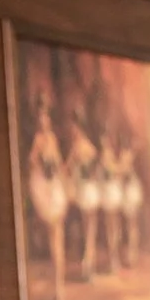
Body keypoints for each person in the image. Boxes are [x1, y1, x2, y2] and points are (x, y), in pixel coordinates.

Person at [27, 95, 69, 300]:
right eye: (40, 119)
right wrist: (43, 166)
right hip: (48, 190)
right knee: (54, 244)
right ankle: (57, 295)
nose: (44, 122)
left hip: (55, 192)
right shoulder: (39, 140)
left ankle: (59, 296)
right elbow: (33, 163)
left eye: (46, 118)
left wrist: (62, 182)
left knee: (57, 244)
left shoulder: (51, 138)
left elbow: (59, 165)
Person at [66, 110, 100, 281]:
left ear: (79, 128)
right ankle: (88, 266)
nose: (72, 130)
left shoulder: (81, 147)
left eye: (74, 127)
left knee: (90, 230)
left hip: (87, 191)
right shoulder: (85, 147)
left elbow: (73, 169)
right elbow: (71, 169)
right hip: (86, 191)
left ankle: (88, 266)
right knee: (89, 231)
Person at [98, 133, 124, 273]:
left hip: (112, 192)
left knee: (114, 227)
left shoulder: (107, 156)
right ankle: (113, 260)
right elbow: (114, 171)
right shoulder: (106, 156)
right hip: (110, 194)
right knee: (112, 228)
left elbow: (115, 172)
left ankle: (114, 259)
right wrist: (123, 165)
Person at [119, 138, 143, 266]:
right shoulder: (128, 156)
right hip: (128, 192)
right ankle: (131, 254)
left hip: (131, 192)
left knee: (132, 225)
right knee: (131, 225)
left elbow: (123, 172)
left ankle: (133, 254)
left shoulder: (127, 157)